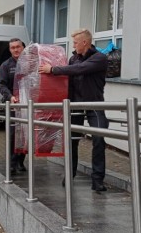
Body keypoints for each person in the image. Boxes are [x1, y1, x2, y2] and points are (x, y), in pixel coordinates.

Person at [39, 28, 109, 192]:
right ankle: (70, 174)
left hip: (94, 105)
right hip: (75, 105)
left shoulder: (99, 58)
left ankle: (97, 180)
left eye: (76, 42)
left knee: (99, 138)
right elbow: (68, 79)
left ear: (84, 42)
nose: (74, 45)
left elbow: (80, 69)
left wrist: (53, 69)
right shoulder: (73, 58)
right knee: (71, 140)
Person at [0, 38, 27, 174]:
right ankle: (12, 163)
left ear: (23, 47)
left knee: (26, 135)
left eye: (18, 47)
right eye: (12, 47)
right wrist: (10, 97)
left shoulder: (30, 63)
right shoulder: (6, 65)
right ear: (10, 50)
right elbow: (1, 84)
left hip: (28, 105)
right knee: (13, 134)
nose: (15, 49)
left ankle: (21, 161)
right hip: (13, 105)